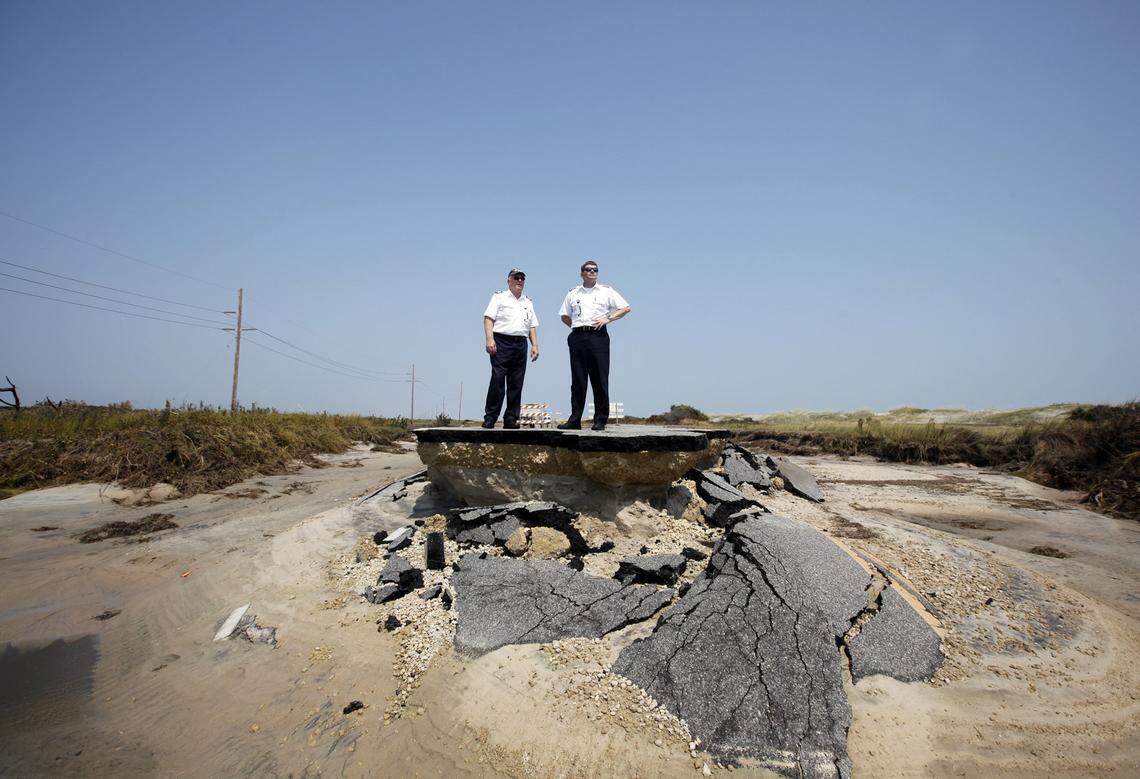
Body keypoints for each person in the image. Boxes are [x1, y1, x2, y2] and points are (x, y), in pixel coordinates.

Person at [557, 260, 631, 431]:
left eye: (595, 270)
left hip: (598, 337)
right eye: (588, 269)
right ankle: (575, 420)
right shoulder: (573, 293)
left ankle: (600, 420)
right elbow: (564, 315)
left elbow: (625, 308)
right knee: (578, 380)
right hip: (577, 337)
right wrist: (577, 326)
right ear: (581, 273)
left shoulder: (606, 291)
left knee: (599, 379)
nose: (592, 272)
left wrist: (608, 318)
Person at [482, 268, 539, 429]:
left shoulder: (528, 302)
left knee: (516, 383)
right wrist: (489, 339)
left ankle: (511, 418)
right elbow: (488, 318)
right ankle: (490, 417)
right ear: (509, 280)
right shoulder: (499, 297)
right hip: (501, 341)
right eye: (516, 278)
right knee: (498, 380)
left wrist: (534, 345)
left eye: (522, 278)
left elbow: (532, 326)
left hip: (520, 343)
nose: (519, 281)